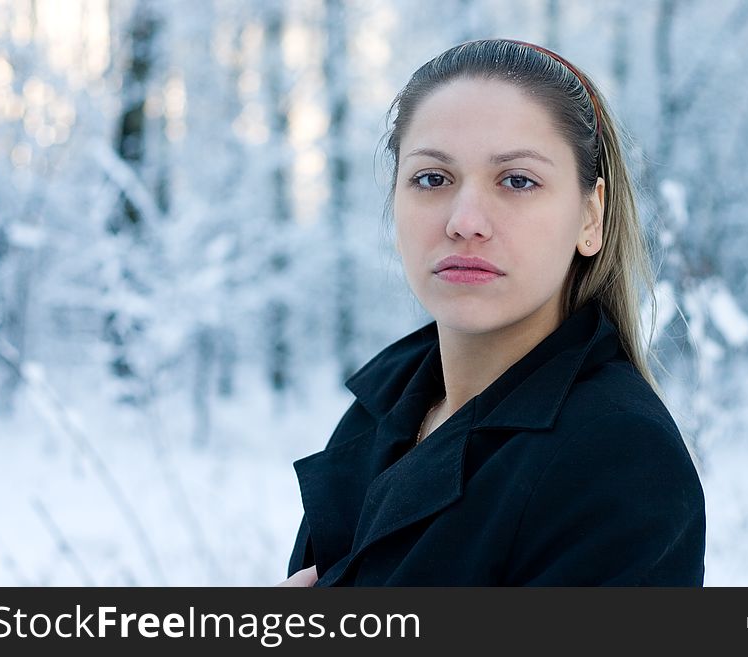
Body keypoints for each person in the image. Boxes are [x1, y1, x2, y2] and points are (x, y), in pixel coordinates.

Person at [278, 38, 705, 587]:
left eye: (517, 180)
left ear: (590, 217)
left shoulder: (619, 458)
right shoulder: (381, 410)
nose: (465, 220)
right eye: (433, 178)